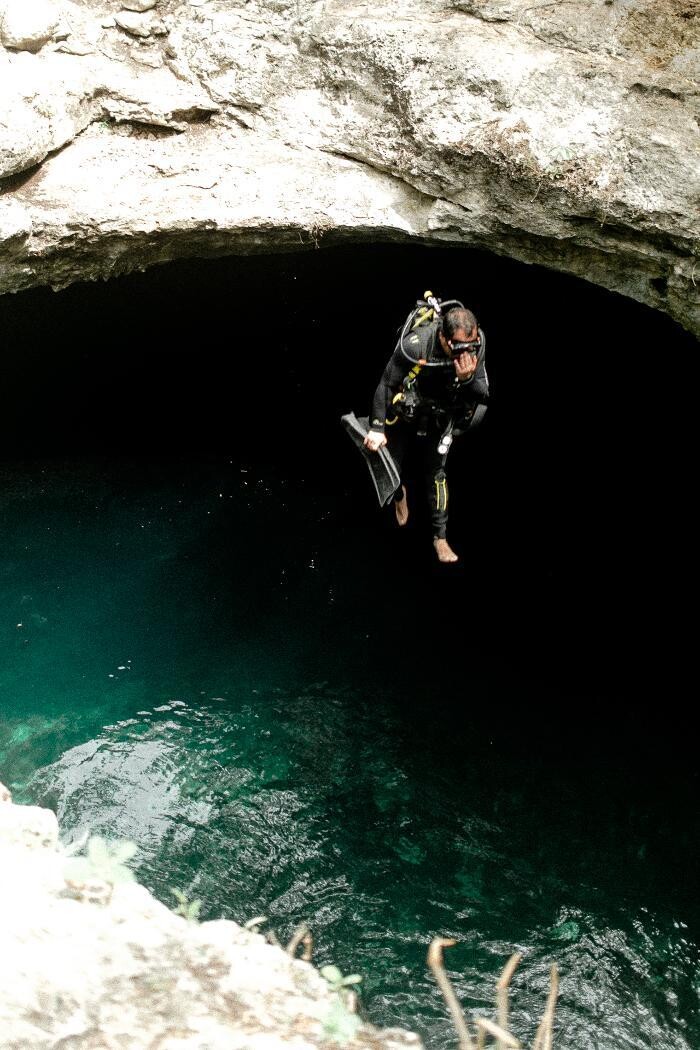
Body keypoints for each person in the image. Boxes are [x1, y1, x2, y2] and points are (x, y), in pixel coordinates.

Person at [363, 296, 489, 563]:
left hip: (441, 415)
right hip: (408, 410)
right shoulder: (417, 343)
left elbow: (482, 393)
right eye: (458, 348)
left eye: (471, 346)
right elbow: (386, 383)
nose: (465, 355)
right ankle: (399, 494)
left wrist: (467, 378)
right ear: (444, 338)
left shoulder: (477, 347)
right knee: (387, 463)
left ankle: (440, 537)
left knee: (437, 473)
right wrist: (376, 427)